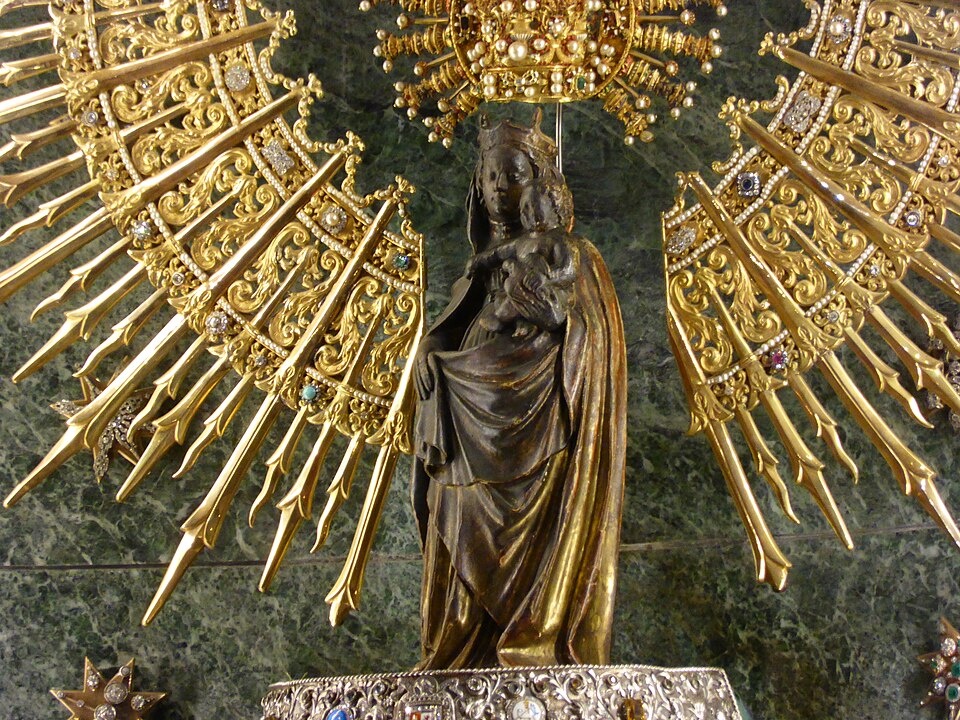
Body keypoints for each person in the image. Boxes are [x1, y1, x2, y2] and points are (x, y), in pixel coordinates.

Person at [412, 111, 627, 669]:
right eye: (489, 176)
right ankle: (459, 650)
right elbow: (449, 330)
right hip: (467, 419)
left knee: (541, 532)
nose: (498, 189)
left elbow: (594, 340)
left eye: (513, 175)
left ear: (543, 185)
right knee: (453, 505)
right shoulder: (477, 272)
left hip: (542, 425)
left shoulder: (575, 255)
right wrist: (429, 355)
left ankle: (537, 641)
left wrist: (550, 320)